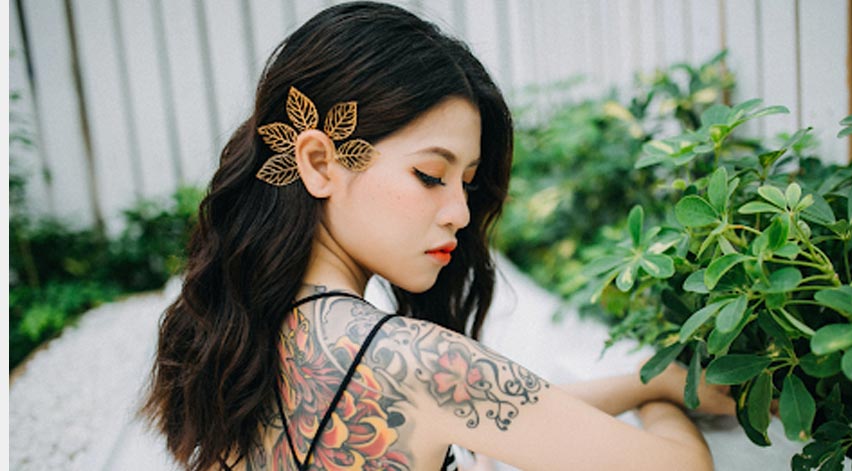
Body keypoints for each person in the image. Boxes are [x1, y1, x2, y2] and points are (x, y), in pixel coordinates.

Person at [143, 2, 735, 470]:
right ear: (320, 163)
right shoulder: (410, 359)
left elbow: (504, 417)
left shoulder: (238, 339)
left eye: (468, 184)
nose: (458, 211)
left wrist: (640, 381)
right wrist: (668, 399)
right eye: (430, 174)